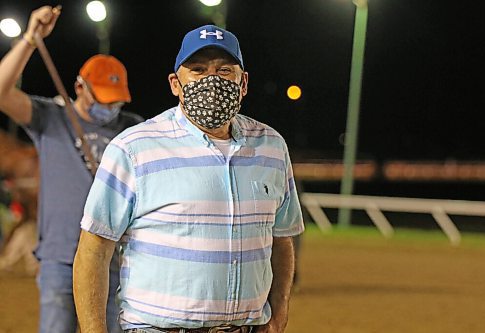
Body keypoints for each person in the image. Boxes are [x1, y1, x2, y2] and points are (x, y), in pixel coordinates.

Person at [73, 24, 305, 333]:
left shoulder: (272, 147)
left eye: (225, 71)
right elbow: (94, 249)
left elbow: (282, 239)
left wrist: (279, 312)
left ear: (244, 82)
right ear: (175, 84)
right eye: (197, 70)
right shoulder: (133, 148)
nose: (211, 81)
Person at [0, 5, 143, 333]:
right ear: (80, 88)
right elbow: (2, 92)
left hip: (116, 259)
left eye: (116, 100)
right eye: (104, 98)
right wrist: (30, 40)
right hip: (60, 258)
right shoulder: (51, 118)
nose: (110, 108)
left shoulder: (132, 128)